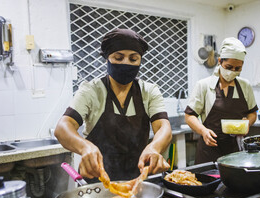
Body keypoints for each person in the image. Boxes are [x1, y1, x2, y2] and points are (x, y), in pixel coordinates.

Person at [55, 28, 172, 181]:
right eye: (118, 57)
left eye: (133, 59)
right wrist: (85, 147)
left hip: (138, 180)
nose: (126, 63)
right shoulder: (91, 90)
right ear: (107, 59)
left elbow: (164, 127)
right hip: (97, 181)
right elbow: (63, 127)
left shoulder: (148, 91)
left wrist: (154, 147)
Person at [185, 37, 258, 164]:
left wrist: (247, 123)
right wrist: (203, 131)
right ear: (220, 61)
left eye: (237, 69)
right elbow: (189, 115)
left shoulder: (245, 86)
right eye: (229, 67)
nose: (232, 72)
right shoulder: (204, 85)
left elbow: (252, 113)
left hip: (236, 151)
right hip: (209, 151)